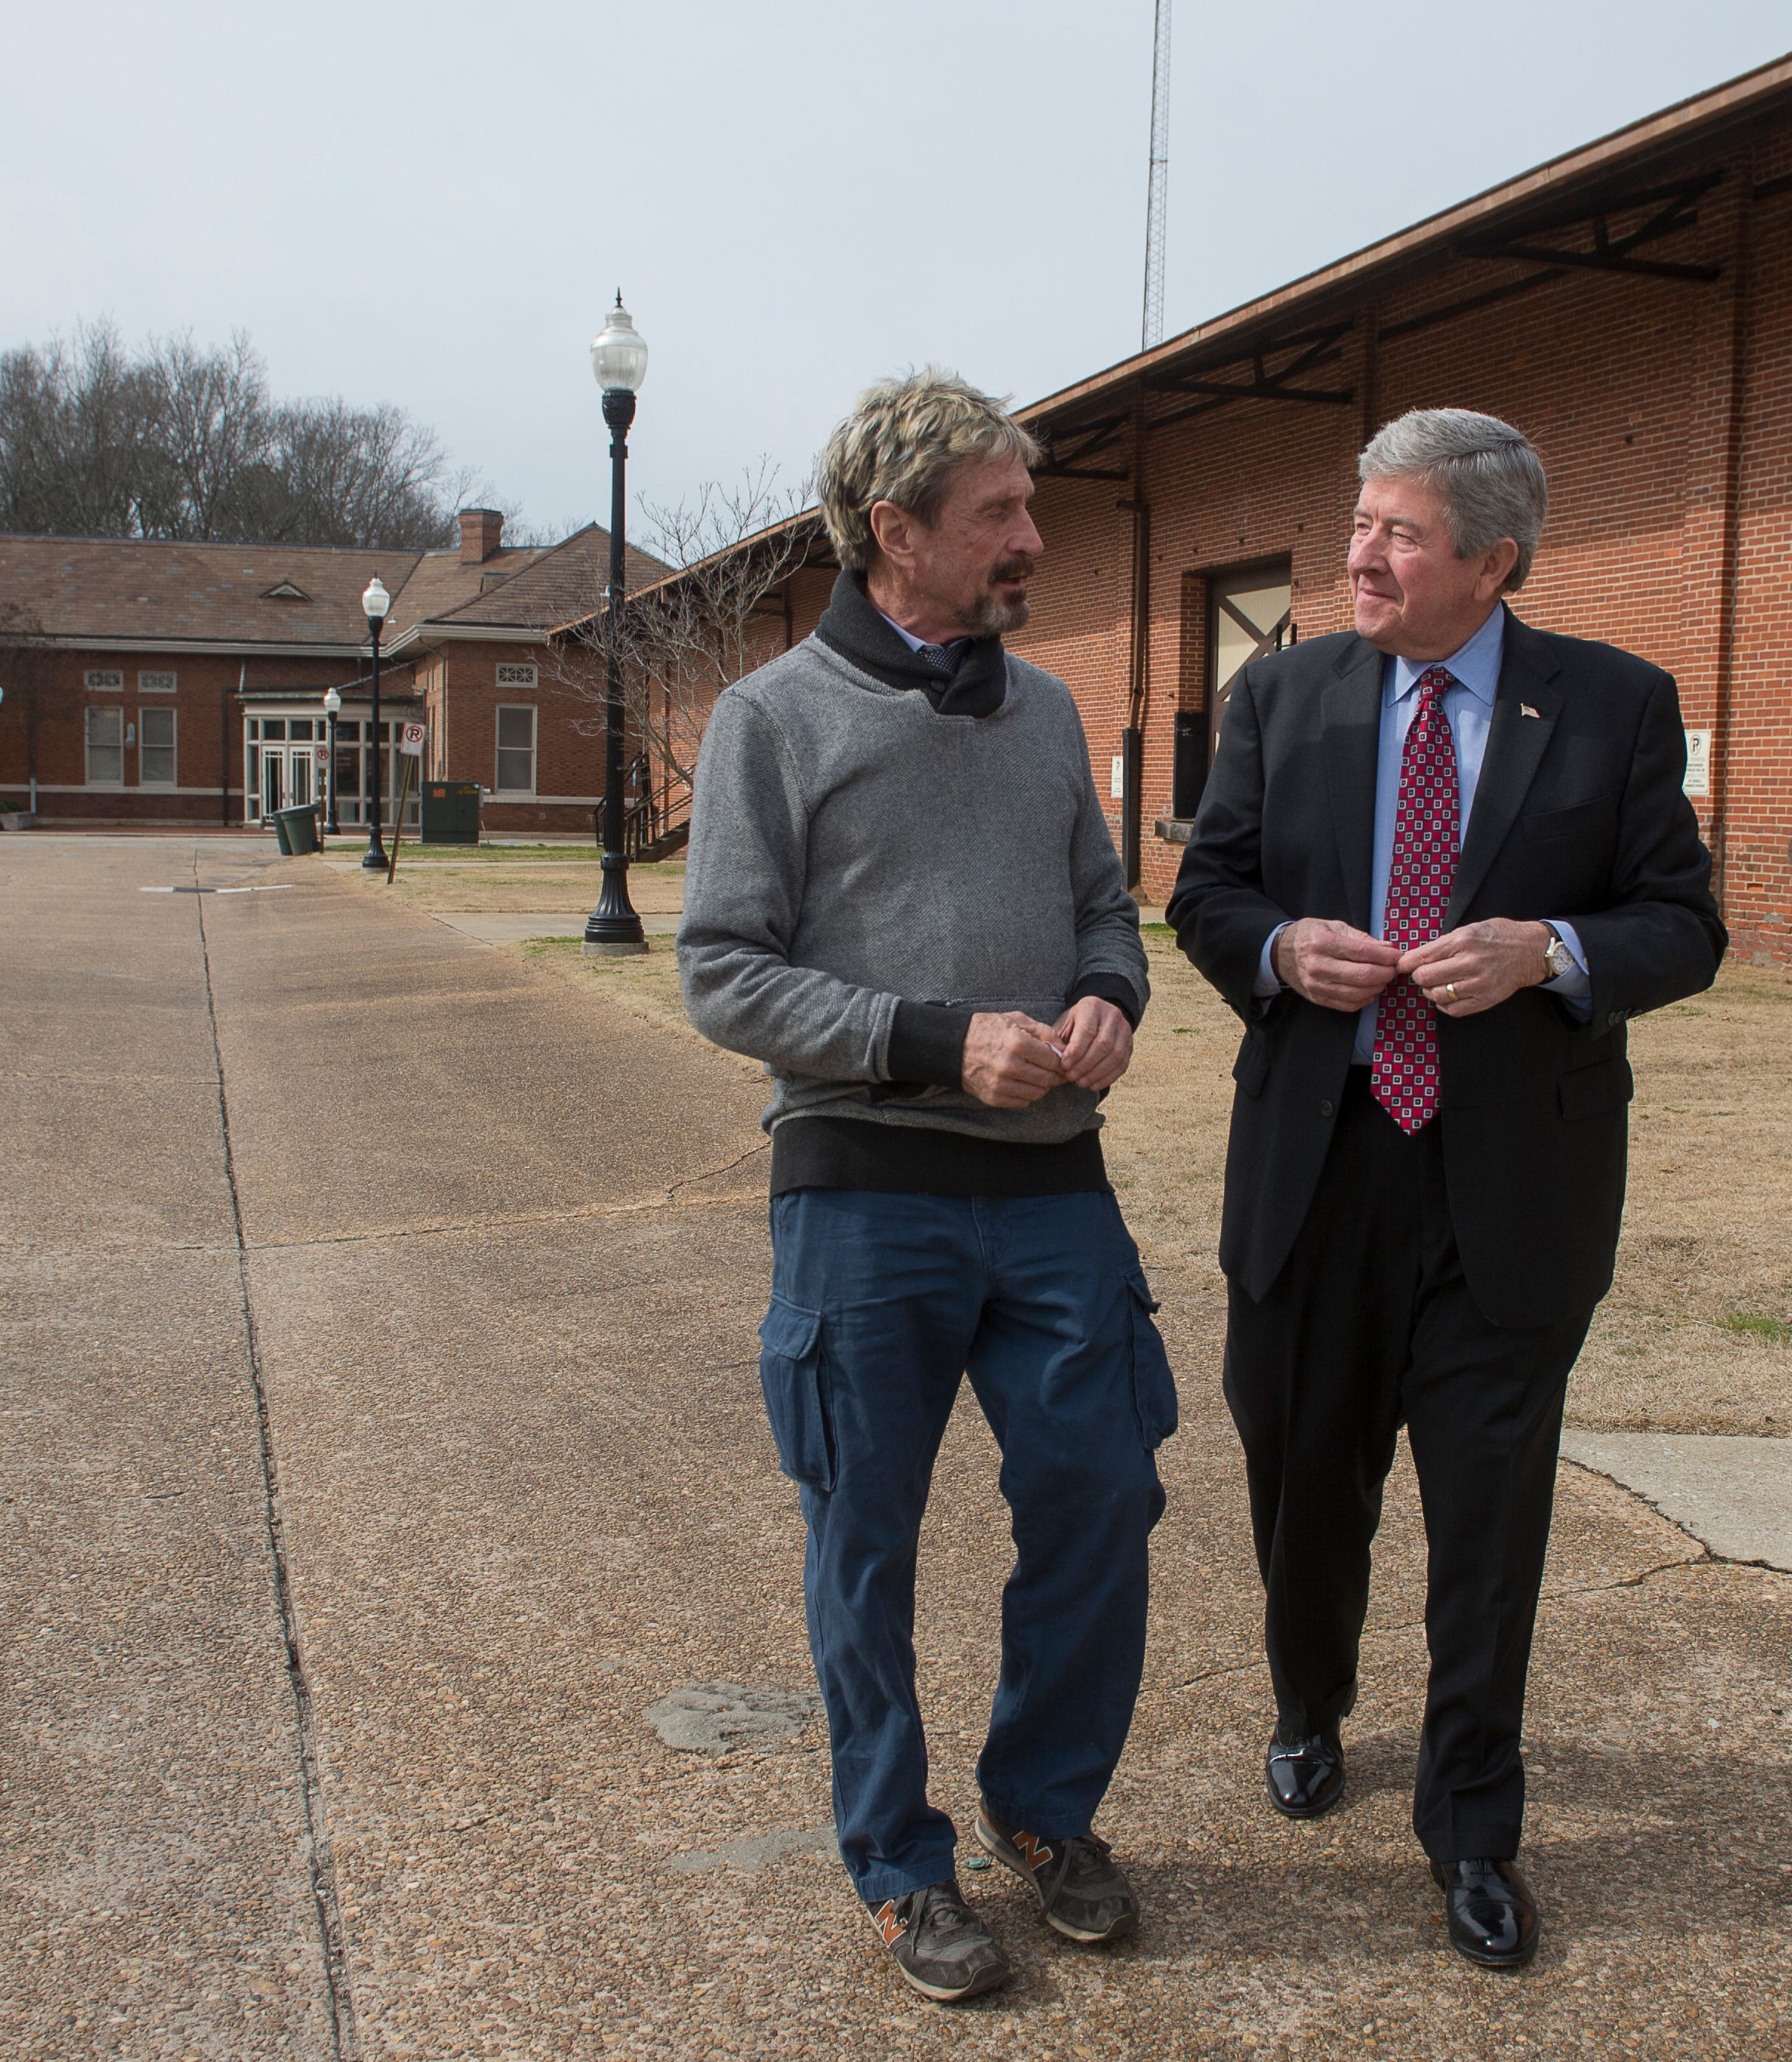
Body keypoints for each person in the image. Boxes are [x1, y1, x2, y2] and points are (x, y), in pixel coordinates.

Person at [1165, 407, 1725, 1969]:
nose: (1358, 555)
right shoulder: (1283, 695)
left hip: (1510, 1192)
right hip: (1316, 1173)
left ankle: (1473, 1824)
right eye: (1358, 524)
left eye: (1397, 533)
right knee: (1303, 1478)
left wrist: (1553, 954)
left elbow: (1684, 926)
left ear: (1491, 558)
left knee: (1488, 1524)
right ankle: (1308, 1700)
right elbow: (1204, 895)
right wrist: (1280, 952)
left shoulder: (1613, 706)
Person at [680, 369, 1170, 2005]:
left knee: (1101, 1491)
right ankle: (901, 1866)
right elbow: (724, 976)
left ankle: (1044, 1810)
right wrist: (931, 1042)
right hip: (861, 1196)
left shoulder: (1040, 714)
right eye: (1000, 514)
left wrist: (1114, 996)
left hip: (1055, 1193)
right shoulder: (774, 718)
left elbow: (1106, 910)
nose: (1032, 538)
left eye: (1028, 508)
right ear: (894, 533)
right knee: (865, 1540)